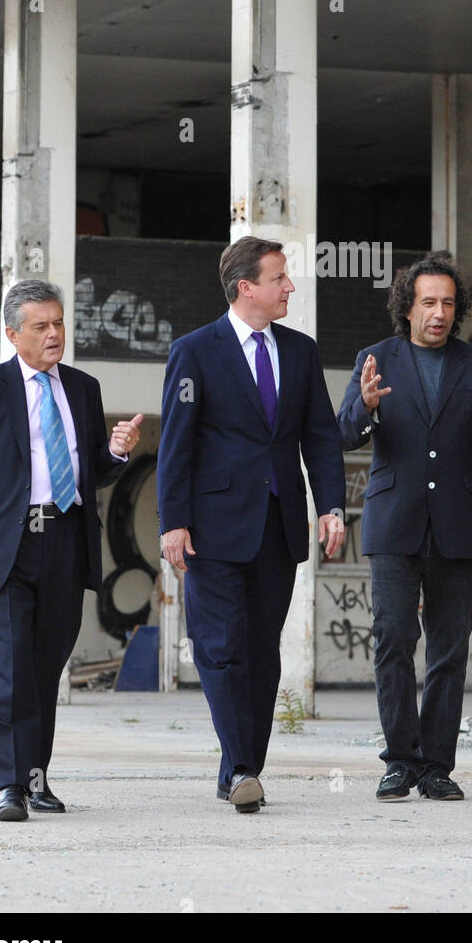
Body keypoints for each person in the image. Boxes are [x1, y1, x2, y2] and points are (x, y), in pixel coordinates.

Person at [0, 280, 142, 821]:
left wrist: (116, 453)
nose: (54, 334)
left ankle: (35, 778)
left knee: (47, 668)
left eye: (59, 323)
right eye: (40, 326)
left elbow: (86, 469)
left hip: (66, 544)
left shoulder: (83, 387)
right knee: (6, 670)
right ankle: (8, 786)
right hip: (5, 548)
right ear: (12, 334)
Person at [157, 237, 345, 813]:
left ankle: (241, 766)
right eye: (280, 278)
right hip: (211, 528)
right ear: (247, 288)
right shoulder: (195, 351)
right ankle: (240, 766)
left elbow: (319, 435)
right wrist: (173, 522)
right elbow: (176, 444)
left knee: (262, 652)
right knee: (219, 648)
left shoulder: (302, 351)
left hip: (278, 524)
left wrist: (331, 506)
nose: (290, 287)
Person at [337, 252, 472, 801]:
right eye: (428, 302)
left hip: (458, 525)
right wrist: (365, 406)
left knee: (449, 649)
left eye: (447, 303)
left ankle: (436, 765)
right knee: (392, 639)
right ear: (407, 307)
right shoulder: (375, 359)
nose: (438, 313)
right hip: (394, 523)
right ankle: (399, 761)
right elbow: (344, 435)